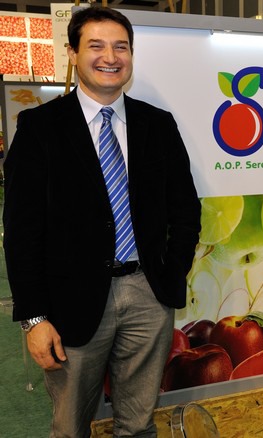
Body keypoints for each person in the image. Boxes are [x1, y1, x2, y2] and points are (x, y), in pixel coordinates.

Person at [3, 6, 201, 437]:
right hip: (69, 301)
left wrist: (171, 275)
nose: (110, 57)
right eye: (96, 46)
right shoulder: (39, 128)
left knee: (138, 425)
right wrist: (34, 318)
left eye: (121, 47)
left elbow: (185, 211)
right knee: (71, 427)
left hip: (148, 295)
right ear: (73, 53)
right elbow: (21, 233)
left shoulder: (157, 125)